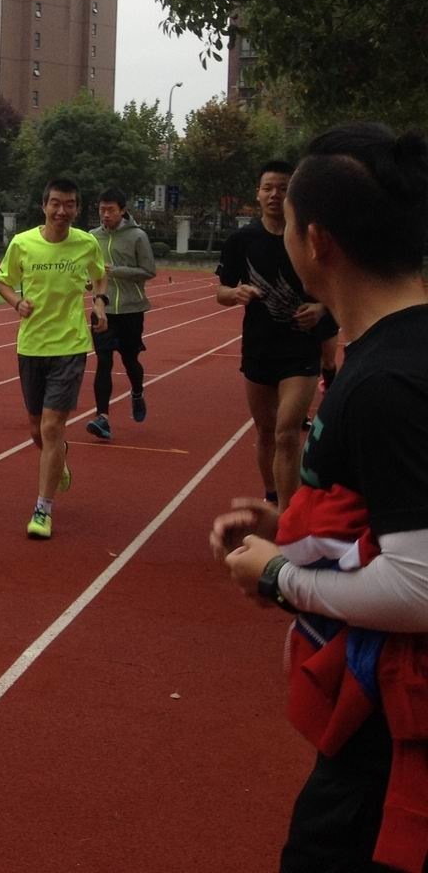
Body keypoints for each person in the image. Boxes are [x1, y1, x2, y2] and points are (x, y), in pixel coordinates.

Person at [211, 123, 428, 873]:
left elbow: (419, 585)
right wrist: (298, 531)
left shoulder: (388, 382)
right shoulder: (392, 353)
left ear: (316, 240)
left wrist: (279, 575)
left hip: (392, 741)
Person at [216, 161, 339, 507]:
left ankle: (289, 513)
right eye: (268, 188)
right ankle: (272, 496)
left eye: (283, 189)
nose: (274, 195)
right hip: (259, 348)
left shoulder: (310, 237)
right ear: (257, 193)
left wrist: (321, 308)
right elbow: (221, 292)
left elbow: (337, 285)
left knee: (287, 432)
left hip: (300, 350)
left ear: (293, 194)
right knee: (267, 432)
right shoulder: (242, 240)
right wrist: (236, 293)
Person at [0, 177, 107, 540]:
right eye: (56, 203)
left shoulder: (86, 243)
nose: (62, 210)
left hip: (70, 345)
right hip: (31, 345)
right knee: (36, 430)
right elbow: (2, 282)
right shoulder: (22, 243)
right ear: (44, 206)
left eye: (70, 204)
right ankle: (58, 459)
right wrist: (17, 302)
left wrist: (99, 303)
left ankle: (43, 509)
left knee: (52, 426)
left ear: (77, 208)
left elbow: (100, 277)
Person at [85, 188, 158, 441]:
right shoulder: (92, 237)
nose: (105, 215)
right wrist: (88, 281)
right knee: (103, 362)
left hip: (131, 309)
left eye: (111, 210)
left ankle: (137, 392)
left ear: (123, 210)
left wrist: (116, 270)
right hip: (102, 309)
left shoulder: (137, 236)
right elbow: (87, 270)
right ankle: (102, 417)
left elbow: (149, 271)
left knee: (129, 360)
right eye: (102, 209)